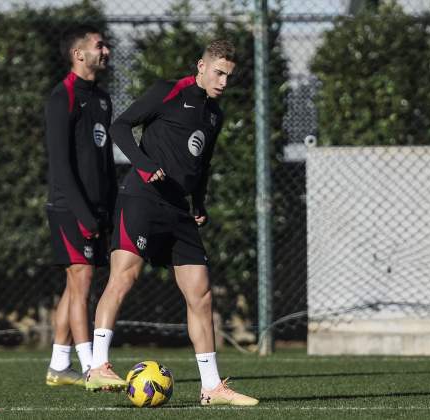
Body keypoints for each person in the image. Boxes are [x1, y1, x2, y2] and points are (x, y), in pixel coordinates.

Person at [85, 40, 259, 406]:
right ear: (201, 65)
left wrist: (199, 202)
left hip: (180, 210)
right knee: (124, 276)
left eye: (229, 76)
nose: (224, 82)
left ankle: (211, 388)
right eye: (218, 73)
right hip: (142, 198)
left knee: (201, 293)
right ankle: (98, 365)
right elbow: (120, 128)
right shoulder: (168, 91)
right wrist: (144, 165)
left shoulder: (216, 115)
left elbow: (203, 165)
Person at [43, 25, 116, 387]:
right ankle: (92, 368)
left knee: (75, 286)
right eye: (99, 46)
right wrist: (84, 214)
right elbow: (60, 164)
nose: (106, 51)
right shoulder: (63, 97)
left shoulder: (102, 99)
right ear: (79, 54)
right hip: (68, 207)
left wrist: (110, 207)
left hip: (96, 208)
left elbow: (102, 161)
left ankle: (59, 364)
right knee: (82, 280)